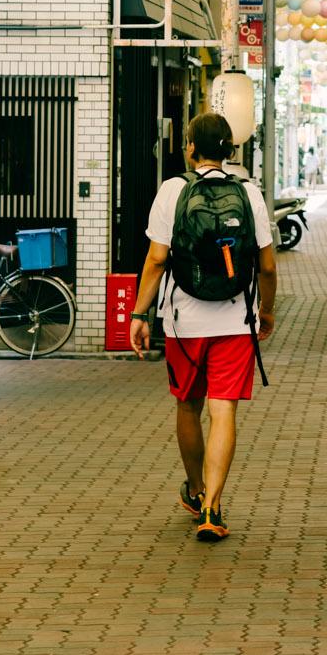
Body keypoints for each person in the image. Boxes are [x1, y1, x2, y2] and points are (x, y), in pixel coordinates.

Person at [129, 112, 276, 542]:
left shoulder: (172, 191)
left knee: (188, 405)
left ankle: (194, 490)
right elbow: (267, 265)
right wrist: (266, 311)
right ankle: (213, 506)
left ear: (190, 147)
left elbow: (157, 259)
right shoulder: (249, 193)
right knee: (223, 409)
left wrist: (140, 314)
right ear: (230, 150)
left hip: (182, 320)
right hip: (235, 317)